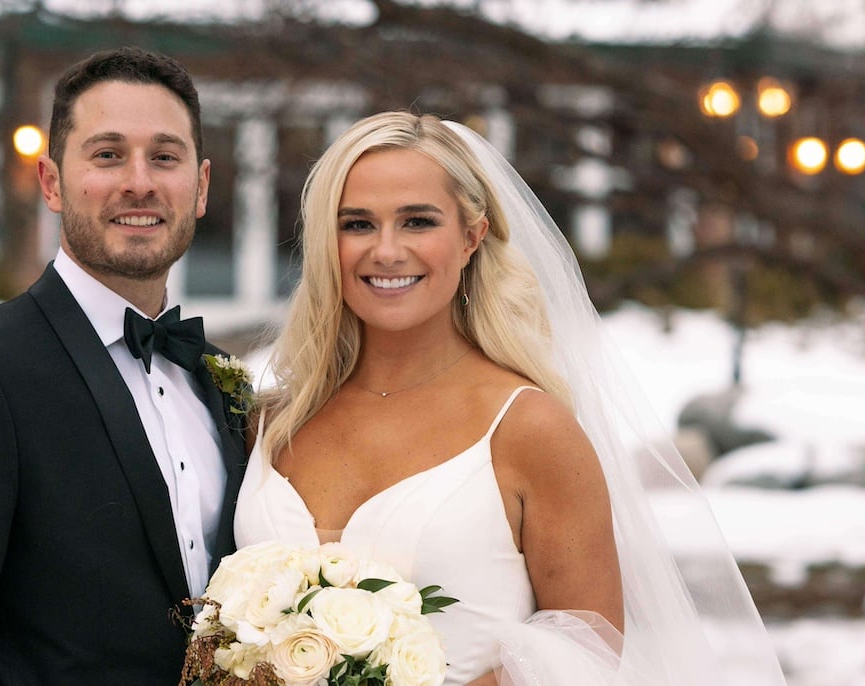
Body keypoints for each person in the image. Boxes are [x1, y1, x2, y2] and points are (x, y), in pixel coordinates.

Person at [234, 112, 787, 685]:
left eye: (418, 221)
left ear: (472, 237)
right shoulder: (273, 421)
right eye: (357, 224)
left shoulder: (530, 428)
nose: (387, 250)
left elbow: (590, 644)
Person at [0, 47, 247, 685]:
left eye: (164, 157)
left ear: (200, 186)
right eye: (107, 154)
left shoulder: (221, 381)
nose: (139, 182)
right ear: (52, 182)